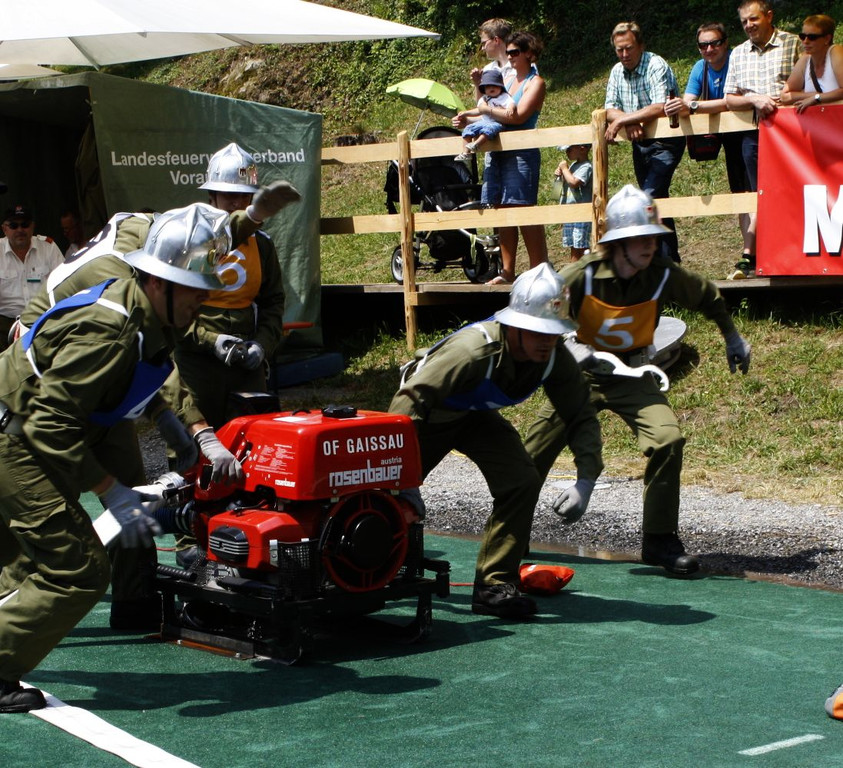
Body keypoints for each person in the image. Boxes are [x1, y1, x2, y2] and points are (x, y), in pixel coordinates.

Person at [0, 204, 245, 714]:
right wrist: (110, 490)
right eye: (194, 287)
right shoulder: (111, 328)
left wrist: (171, 420)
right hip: (16, 432)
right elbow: (47, 422)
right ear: (157, 281)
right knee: (78, 568)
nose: (204, 299)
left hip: (24, 424)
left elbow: (130, 377)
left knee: (23, 562)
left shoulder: (147, 313)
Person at [523, 185, 752, 577]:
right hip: (577, 376)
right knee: (531, 454)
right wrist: (565, 344)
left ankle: (659, 541)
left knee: (668, 440)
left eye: (654, 238)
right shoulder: (582, 275)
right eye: (640, 239)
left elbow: (708, 296)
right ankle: (511, 531)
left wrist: (732, 337)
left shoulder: (661, 275)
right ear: (618, 243)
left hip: (632, 374)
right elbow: (537, 310)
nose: (650, 246)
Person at [389, 263, 603, 620]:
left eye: (554, 332)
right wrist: (402, 478)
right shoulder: (473, 350)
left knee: (521, 481)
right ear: (514, 324)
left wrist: (586, 478)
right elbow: (408, 403)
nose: (547, 341)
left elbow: (580, 413)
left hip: (474, 415)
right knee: (382, 498)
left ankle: (493, 585)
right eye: (538, 332)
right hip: (425, 416)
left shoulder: (553, 357)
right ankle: (351, 573)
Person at [455, 31, 548, 284]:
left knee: (523, 208)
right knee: (502, 209)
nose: (510, 57)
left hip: (521, 152)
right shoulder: (507, 80)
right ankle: (507, 272)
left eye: (515, 53)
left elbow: (517, 117)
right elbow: (489, 111)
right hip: (498, 152)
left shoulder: (535, 82)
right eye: (508, 53)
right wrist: (468, 117)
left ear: (529, 53)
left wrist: (485, 109)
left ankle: (538, 270)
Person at [664, 22, 755, 272]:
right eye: (703, 45)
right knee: (740, 195)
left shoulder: (737, 59)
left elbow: (733, 102)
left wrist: (693, 107)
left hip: (751, 133)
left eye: (714, 43)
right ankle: (750, 254)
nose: (709, 49)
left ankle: (753, 253)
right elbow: (688, 100)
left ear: (725, 43)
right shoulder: (699, 68)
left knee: (757, 192)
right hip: (728, 138)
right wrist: (680, 106)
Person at [725, 0, 800, 278]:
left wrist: (786, 98)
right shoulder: (738, 53)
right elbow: (729, 98)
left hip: (793, 135)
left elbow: (809, 83)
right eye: (744, 21)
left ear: (769, 16)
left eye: (754, 19)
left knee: (792, 192)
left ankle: (794, 256)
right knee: (760, 193)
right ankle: (762, 256)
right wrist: (753, 98)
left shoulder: (792, 44)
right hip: (754, 136)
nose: (749, 25)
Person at [604, 21, 685, 264]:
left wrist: (624, 119)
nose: (624, 55)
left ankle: (655, 264)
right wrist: (628, 122)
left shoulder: (655, 64)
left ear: (641, 45)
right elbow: (609, 108)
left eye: (629, 48)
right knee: (656, 200)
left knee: (647, 198)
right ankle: (670, 262)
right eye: (619, 50)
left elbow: (660, 106)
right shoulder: (617, 71)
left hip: (667, 141)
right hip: (640, 143)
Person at [0, 204, 63, 351]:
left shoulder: (48, 247)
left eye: (25, 224)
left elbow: (64, 285)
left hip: (44, 318)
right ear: (5, 229)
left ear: (33, 226)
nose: (20, 230)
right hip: (5, 323)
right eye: (14, 225)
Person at [781, 15, 843, 112]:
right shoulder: (805, 60)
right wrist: (812, 95)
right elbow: (785, 96)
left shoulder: (836, 52)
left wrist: (817, 98)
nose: (805, 41)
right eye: (802, 36)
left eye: (812, 37)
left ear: (827, 39)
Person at [455, 69, 514, 162]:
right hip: (483, 121)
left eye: (494, 85)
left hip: (497, 122)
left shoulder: (504, 96)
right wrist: (466, 113)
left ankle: (477, 144)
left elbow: (511, 103)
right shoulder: (485, 99)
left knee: (488, 129)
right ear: (484, 89)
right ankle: (466, 153)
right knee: (468, 128)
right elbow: (479, 110)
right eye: (488, 87)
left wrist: (510, 109)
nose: (491, 88)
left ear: (501, 87)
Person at [554, 143, 593, 261]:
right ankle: (574, 267)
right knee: (573, 244)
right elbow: (556, 192)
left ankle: (586, 269)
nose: (567, 152)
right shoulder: (572, 166)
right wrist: (558, 177)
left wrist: (565, 169)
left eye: (569, 149)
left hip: (581, 212)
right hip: (570, 212)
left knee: (581, 244)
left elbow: (574, 183)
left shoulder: (587, 167)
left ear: (582, 149)